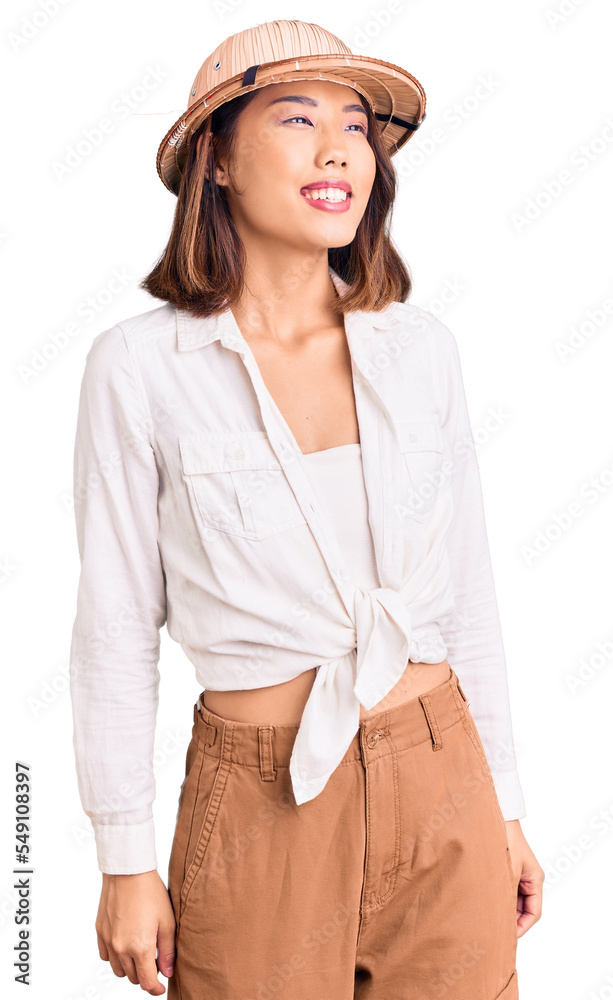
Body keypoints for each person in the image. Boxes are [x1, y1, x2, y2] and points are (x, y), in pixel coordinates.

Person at [68, 18, 544, 1000]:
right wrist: (123, 857)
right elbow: (114, 623)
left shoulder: (421, 350)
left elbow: (468, 597)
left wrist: (503, 805)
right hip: (258, 801)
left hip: (441, 780)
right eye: (296, 117)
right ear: (216, 159)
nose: (338, 149)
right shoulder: (139, 369)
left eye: (357, 126)